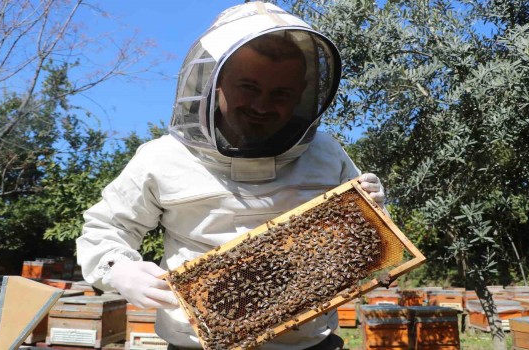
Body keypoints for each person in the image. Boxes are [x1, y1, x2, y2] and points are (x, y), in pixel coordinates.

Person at [76, 2, 387, 349]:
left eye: (280, 93)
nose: (262, 105)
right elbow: (105, 229)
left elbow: (366, 244)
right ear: (215, 83)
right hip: (198, 343)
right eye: (249, 87)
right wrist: (119, 268)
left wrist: (372, 213)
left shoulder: (326, 152)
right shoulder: (161, 157)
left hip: (309, 343)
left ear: (302, 94)